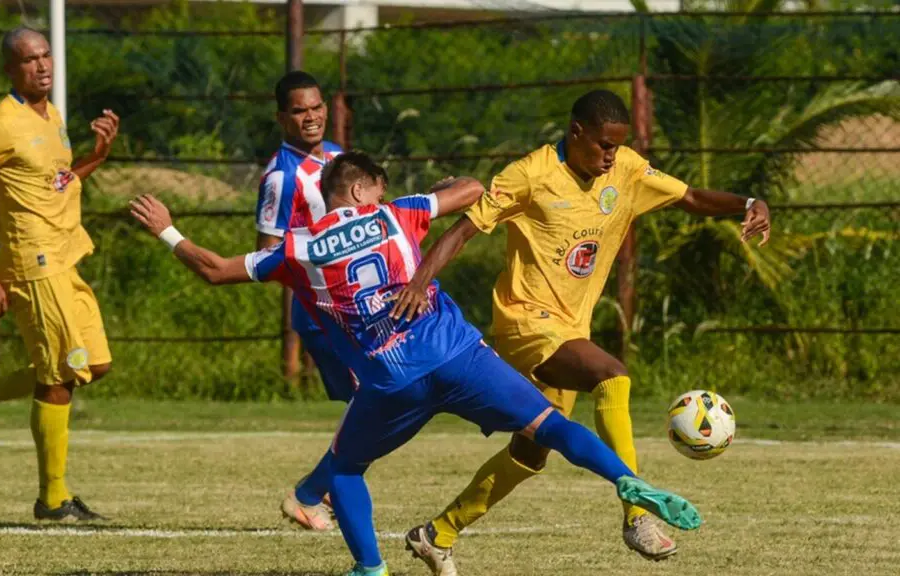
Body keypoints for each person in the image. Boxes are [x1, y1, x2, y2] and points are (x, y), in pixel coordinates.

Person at [130, 151, 702, 576]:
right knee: (550, 426)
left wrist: (167, 230)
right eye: (378, 186)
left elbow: (213, 268)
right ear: (361, 190)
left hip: (390, 379)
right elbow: (472, 188)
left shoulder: (298, 249)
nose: (384, 193)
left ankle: (371, 569)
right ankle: (627, 480)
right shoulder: (399, 214)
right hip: (457, 354)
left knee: (346, 469)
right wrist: (436, 190)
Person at [387, 89, 771, 572]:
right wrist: (420, 281)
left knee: (530, 453)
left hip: (570, 329)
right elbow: (463, 229)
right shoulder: (530, 175)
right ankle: (637, 513)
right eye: (603, 146)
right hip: (525, 323)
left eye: (617, 146)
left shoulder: (627, 170)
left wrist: (749, 202)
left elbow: (691, 197)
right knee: (611, 375)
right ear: (576, 133)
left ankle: (438, 533)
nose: (611, 156)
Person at [0, 26, 120, 521]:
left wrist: (95, 158)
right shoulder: (0, 125)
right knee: (60, 374)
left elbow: (54, 184)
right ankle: (52, 499)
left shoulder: (51, 114)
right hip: (32, 263)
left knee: (93, 365)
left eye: (46, 55)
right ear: (10, 70)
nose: (43, 65)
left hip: (66, 254)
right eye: (30, 59)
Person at [256, 70, 352, 530]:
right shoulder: (281, 178)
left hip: (357, 307)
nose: (311, 117)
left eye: (316, 107)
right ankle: (314, 492)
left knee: (379, 401)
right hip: (322, 312)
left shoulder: (339, 158)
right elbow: (266, 256)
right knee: (378, 400)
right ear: (282, 118)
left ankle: (320, 491)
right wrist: (317, 277)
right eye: (299, 110)